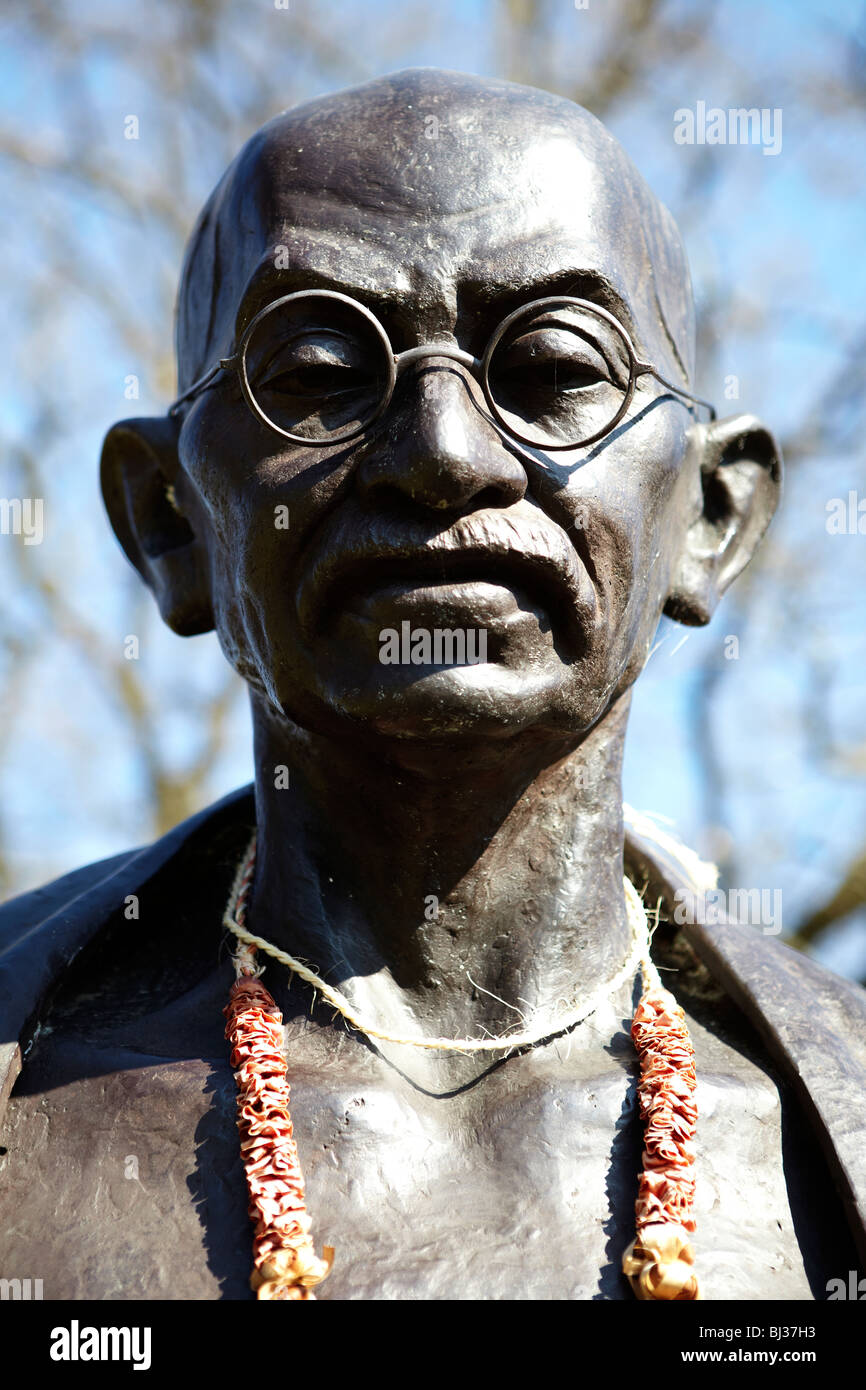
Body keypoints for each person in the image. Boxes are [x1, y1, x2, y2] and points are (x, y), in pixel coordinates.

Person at [1, 68, 864, 1301]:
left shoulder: (827, 1134)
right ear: (169, 520)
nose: (443, 455)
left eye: (555, 367)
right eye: (316, 370)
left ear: (709, 515)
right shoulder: (36, 1087)